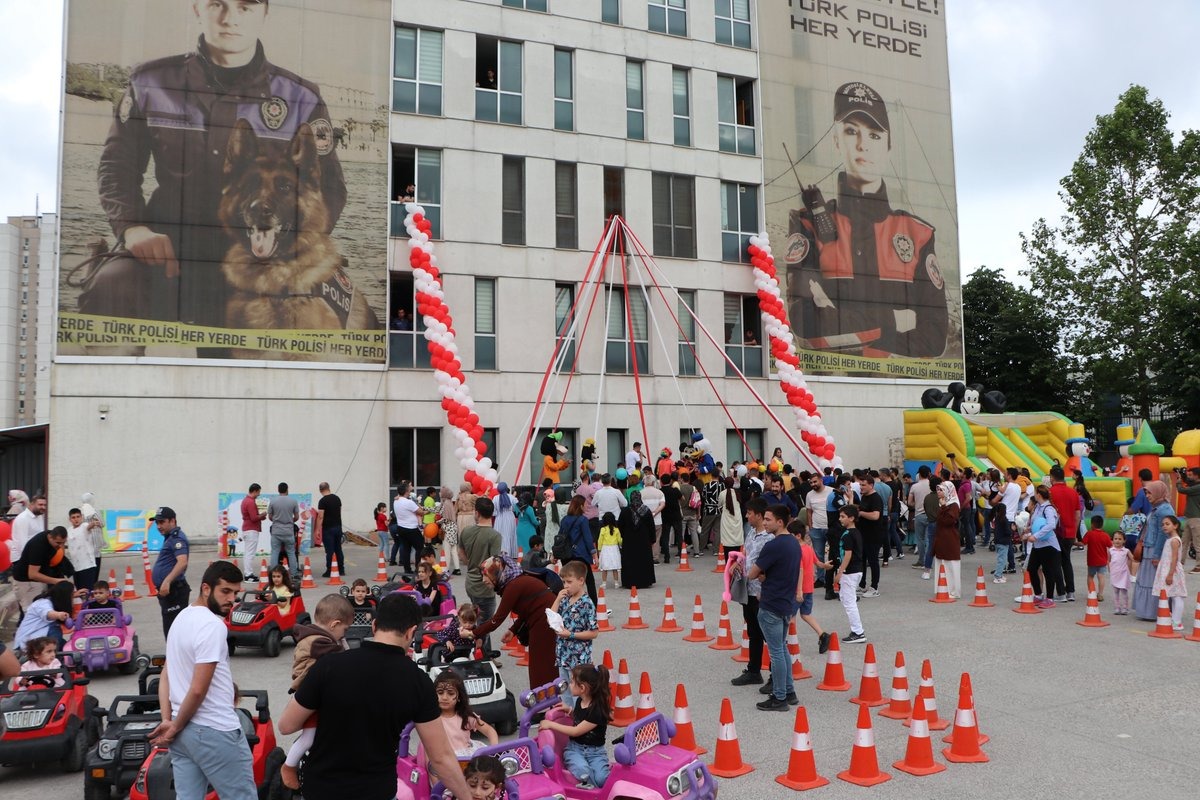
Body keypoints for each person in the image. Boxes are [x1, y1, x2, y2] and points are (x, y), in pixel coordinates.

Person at [82, 0, 347, 329]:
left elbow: (330, 188)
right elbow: (117, 168)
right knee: (111, 285)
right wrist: (133, 228)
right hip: (167, 246)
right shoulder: (150, 82)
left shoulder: (301, 98)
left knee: (311, 315)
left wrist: (290, 249)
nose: (230, 18)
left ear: (265, 13)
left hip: (256, 255)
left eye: (246, 7)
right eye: (217, 4)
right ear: (197, 8)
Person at [786, 81, 947, 359]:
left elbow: (934, 339)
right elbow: (807, 328)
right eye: (851, 132)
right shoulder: (808, 224)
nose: (863, 145)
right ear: (836, 140)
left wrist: (842, 322)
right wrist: (899, 319)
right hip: (823, 386)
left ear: (888, 146)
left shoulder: (918, 234)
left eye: (874, 135)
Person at [279, 593, 473, 800]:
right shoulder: (418, 682)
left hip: (322, 788)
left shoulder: (328, 665)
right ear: (411, 632)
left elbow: (286, 725)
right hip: (375, 790)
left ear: (374, 625)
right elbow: (441, 757)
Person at [149, 560, 257, 800]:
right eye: (225, 591)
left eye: (235, 593)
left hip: (182, 731)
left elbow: (165, 674)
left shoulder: (181, 618)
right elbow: (199, 689)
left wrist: (169, 720)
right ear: (206, 589)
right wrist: (172, 726)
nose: (232, 599)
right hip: (215, 730)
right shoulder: (212, 626)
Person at [281, 593, 353, 790]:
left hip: (314, 694)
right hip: (310, 697)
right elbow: (341, 659)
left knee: (315, 735)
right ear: (334, 624)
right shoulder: (319, 642)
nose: (344, 634)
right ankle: (288, 767)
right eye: (344, 629)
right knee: (309, 737)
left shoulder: (317, 637)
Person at [469, 555, 558, 687]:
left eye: (486, 575)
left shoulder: (513, 586)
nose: (483, 580)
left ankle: (544, 697)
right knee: (543, 661)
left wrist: (473, 632)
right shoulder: (513, 583)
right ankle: (547, 696)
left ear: (497, 573)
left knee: (540, 663)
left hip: (544, 621)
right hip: (543, 618)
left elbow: (496, 620)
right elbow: (528, 608)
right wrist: (513, 630)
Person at [748, 505, 800, 711]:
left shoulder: (773, 545)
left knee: (776, 651)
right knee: (782, 647)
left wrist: (761, 575)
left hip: (771, 603)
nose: (765, 522)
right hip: (787, 603)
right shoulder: (794, 543)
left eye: (768, 519)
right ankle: (789, 691)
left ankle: (779, 697)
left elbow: (752, 573)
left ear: (780, 522)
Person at [540, 664, 612, 789]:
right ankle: (593, 791)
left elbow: (576, 731)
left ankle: (594, 790)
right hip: (575, 749)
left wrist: (551, 724)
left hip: (596, 752)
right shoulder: (580, 701)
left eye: (572, 682)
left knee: (602, 779)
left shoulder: (597, 711)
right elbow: (581, 720)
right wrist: (569, 710)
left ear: (583, 687)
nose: (570, 684)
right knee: (583, 770)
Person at [731, 498, 770, 687]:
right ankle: (754, 671)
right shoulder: (751, 533)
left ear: (759, 515)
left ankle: (775, 675)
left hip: (763, 592)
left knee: (769, 635)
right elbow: (745, 553)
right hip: (748, 591)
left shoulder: (770, 537)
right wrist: (738, 564)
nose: (747, 516)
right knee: (753, 632)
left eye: (749, 513)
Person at [458, 497, 502, 655]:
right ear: (492, 513)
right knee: (486, 624)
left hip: (470, 581)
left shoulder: (466, 531)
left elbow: (461, 552)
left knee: (479, 619)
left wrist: (470, 563)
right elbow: (494, 562)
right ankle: (483, 655)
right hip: (485, 586)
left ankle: (482, 652)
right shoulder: (494, 536)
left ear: (477, 513)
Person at [1132, 480, 1175, 621]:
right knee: (1148, 580)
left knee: (1153, 581)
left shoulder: (1164, 510)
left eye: (1150, 492)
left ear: (1158, 492)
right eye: (1146, 492)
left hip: (1155, 550)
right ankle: (1148, 611)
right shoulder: (1157, 507)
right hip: (1149, 547)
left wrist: (1157, 555)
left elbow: (1163, 534)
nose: (1147, 495)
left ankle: (1153, 612)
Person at [553, 561, 598, 692]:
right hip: (563, 656)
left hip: (579, 659)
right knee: (565, 695)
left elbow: (594, 632)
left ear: (581, 581)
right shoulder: (565, 599)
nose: (565, 586)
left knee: (578, 695)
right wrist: (557, 599)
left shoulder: (587, 603)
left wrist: (571, 634)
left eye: (569, 582)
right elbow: (551, 617)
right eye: (563, 582)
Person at [433, 671, 499, 759]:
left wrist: (494, 748)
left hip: (467, 758)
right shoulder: (431, 718)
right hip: (443, 760)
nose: (444, 697)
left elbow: (489, 730)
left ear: (459, 697)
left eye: (451, 693)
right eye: (440, 692)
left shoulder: (465, 716)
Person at [791, 521, 832, 655]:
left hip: (799, 589)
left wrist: (798, 591)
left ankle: (791, 641)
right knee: (805, 614)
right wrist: (825, 566)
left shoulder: (797, 551)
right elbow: (818, 563)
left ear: (797, 536)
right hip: (809, 588)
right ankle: (822, 634)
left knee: (790, 616)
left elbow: (800, 571)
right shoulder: (808, 548)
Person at [149, 507, 190, 637]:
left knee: (174, 630)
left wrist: (167, 581)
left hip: (175, 591)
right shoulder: (169, 538)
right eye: (157, 523)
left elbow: (182, 562)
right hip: (169, 592)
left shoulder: (176, 539)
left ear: (172, 521)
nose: (158, 526)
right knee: (170, 629)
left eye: (162, 522)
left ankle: (177, 656)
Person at [16, 526, 76, 611]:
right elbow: (32, 574)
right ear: (50, 537)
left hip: (39, 580)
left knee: (44, 608)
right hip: (26, 581)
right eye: (58, 543)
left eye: (63, 543)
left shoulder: (52, 536)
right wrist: (56, 581)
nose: (61, 546)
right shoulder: (38, 546)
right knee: (33, 612)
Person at [1023, 486, 1063, 608]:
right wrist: (1029, 529)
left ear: (1039, 495)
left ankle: (1049, 598)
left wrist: (1035, 536)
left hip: (1048, 545)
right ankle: (1038, 594)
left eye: (1035, 493)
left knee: (1048, 571)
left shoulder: (1048, 508)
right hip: (1038, 545)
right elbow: (1038, 523)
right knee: (1031, 568)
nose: (1034, 495)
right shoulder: (1038, 508)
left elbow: (1051, 525)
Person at [834, 505, 867, 643]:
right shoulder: (856, 532)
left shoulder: (848, 535)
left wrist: (839, 573)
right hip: (856, 570)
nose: (840, 519)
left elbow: (847, 555)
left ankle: (858, 632)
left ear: (852, 518)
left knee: (849, 602)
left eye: (843, 516)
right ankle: (857, 630)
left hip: (849, 572)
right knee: (847, 599)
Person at [1048, 466, 1082, 601]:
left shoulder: (1050, 492)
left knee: (1056, 562)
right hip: (1069, 532)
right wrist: (1074, 531)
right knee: (1067, 561)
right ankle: (1071, 592)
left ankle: (1060, 592)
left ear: (1052, 478)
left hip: (1056, 532)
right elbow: (1078, 514)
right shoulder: (1073, 493)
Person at [13, 581, 77, 651]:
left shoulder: (54, 602)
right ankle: (51, 656)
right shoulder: (42, 603)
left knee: (68, 647)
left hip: (37, 638)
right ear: (64, 596)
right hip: (27, 644)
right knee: (55, 630)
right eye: (71, 595)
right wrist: (59, 615)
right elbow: (48, 613)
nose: (72, 599)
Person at [558, 496, 598, 605]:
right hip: (580, 555)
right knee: (589, 581)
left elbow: (560, 537)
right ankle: (593, 605)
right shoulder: (583, 520)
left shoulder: (565, 519)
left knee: (568, 581)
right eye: (585, 504)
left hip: (566, 555)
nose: (586, 506)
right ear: (580, 506)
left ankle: (567, 604)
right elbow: (588, 539)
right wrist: (595, 556)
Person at [10, 494, 47, 610]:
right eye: (40, 504)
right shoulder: (22, 519)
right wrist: (33, 562)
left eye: (45, 505)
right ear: (31, 504)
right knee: (26, 598)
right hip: (22, 561)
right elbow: (22, 544)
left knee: (35, 596)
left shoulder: (40, 517)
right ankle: (24, 622)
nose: (43, 507)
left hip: (34, 560)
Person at [1153, 515, 1188, 630]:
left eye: (1167, 524)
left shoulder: (1174, 541)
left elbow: (1174, 559)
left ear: (1175, 525)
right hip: (1167, 569)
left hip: (1172, 570)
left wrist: (1170, 574)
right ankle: (1173, 619)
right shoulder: (1170, 540)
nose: (1164, 526)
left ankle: (1177, 622)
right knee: (1172, 595)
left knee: (1177, 596)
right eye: (1163, 524)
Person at [620, 493, 657, 590]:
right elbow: (651, 527)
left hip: (629, 540)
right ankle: (645, 581)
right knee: (643, 560)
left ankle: (629, 581)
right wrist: (652, 539)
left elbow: (620, 526)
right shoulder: (646, 510)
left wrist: (624, 535)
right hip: (644, 540)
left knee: (630, 560)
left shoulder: (625, 511)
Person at [931, 481, 962, 598]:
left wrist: (944, 507)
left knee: (951, 564)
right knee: (941, 563)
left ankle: (953, 590)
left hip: (950, 538)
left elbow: (949, 520)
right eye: (938, 489)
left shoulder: (953, 505)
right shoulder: (942, 503)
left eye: (941, 490)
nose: (938, 492)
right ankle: (942, 588)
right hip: (941, 537)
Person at [855, 476, 884, 597]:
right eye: (860, 485)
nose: (861, 487)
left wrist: (861, 513)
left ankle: (874, 587)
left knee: (873, 561)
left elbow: (875, 516)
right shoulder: (864, 496)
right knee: (862, 560)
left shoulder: (876, 498)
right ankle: (862, 585)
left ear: (871, 485)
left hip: (874, 535)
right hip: (863, 534)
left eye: (863, 485)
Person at [267, 484, 300, 577]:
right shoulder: (293, 501)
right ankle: (294, 573)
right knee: (291, 552)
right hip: (289, 531)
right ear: (287, 490)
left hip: (276, 531)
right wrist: (290, 521)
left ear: (278, 490)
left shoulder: (273, 501)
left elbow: (270, 516)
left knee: (275, 552)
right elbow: (296, 517)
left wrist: (277, 520)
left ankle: (273, 574)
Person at [805, 475, 832, 589]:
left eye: (815, 482)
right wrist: (811, 527)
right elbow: (809, 512)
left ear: (821, 480)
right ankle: (820, 578)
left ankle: (830, 579)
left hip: (830, 528)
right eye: (811, 483)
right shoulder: (809, 495)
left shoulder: (831, 491)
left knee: (832, 554)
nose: (813, 484)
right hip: (816, 529)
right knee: (818, 554)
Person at [1172, 468, 1200, 570]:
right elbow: (1188, 482)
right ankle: (1179, 563)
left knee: (1197, 543)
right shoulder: (1194, 484)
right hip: (1189, 517)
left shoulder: (1197, 487)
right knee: (1184, 542)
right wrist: (1182, 475)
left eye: (1191, 475)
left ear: (1197, 476)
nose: (1189, 477)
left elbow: (1182, 490)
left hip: (1195, 518)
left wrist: (1179, 481)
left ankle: (1198, 565)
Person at [66, 507, 100, 591]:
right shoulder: (68, 531)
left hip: (88, 566)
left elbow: (89, 526)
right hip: (76, 567)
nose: (76, 519)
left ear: (81, 517)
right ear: (69, 519)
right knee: (79, 591)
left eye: (78, 517)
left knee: (88, 591)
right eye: (73, 517)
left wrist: (93, 523)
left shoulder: (84, 526)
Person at [316, 482, 344, 579]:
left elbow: (320, 516)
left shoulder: (322, 501)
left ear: (320, 490)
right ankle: (341, 569)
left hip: (328, 528)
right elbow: (339, 513)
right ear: (329, 488)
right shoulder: (337, 499)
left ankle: (329, 570)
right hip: (338, 527)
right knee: (338, 549)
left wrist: (317, 530)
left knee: (330, 550)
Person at [1081, 515, 1112, 601]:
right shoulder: (1105, 535)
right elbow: (1110, 546)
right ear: (1102, 525)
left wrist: (1075, 543)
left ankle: (1091, 592)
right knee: (1101, 576)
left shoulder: (1089, 534)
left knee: (1090, 576)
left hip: (1092, 560)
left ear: (1092, 525)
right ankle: (1100, 594)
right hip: (1102, 560)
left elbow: (1083, 543)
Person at [391, 482, 422, 570]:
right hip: (411, 528)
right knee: (419, 547)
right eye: (409, 488)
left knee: (406, 549)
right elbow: (420, 512)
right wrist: (427, 511)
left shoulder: (396, 501)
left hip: (401, 527)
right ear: (406, 491)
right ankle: (418, 568)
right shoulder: (409, 502)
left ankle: (407, 569)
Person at [240, 484, 265, 581]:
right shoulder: (250, 502)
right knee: (250, 553)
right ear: (254, 491)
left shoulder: (245, 501)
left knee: (247, 553)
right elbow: (254, 518)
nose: (259, 494)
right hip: (251, 529)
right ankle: (248, 575)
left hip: (247, 528)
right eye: (258, 492)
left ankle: (248, 573)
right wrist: (262, 515)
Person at [639, 475, 666, 561]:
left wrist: (646, 514)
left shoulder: (640, 492)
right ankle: (655, 558)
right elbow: (662, 504)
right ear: (654, 482)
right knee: (656, 539)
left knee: (645, 539)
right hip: (657, 520)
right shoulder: (659, 493)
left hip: (644, 521)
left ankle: (646, 556)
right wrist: (654, 512)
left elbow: (639, 506)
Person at [659, 474, 683, 564]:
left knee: (665, 536)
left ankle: (666, 557)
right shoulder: (675, 490)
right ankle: (681, 554)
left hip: (665, 516)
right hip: (676, 515)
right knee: (679, 535)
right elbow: (682, 498)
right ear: (670, 481)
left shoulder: (660, 491)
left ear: (661, 482)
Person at [718, 477, 744, 557]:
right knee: (737, 538)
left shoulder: (722, 493)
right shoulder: (737, 493)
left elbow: (719, 505)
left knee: (727, 540)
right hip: (737, 518)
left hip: (726, 519)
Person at [1108, 531, 1134, 615]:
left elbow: (1133, 559)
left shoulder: (1126, 551)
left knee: (1124, 592)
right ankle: (1117, 607)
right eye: (1115, 539)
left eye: (1120, 539)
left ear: (1124, 541)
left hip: (1123, 574)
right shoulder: (1111, 550)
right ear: (1112, 540)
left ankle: (1125, 608)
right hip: (1114, 574)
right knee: (1115, 592)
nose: (1117, 541)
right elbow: (1108, 560)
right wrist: (1109, 569)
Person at [438, 487, 462, 575]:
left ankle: (446, 568)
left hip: (448, 529)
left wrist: (438, 521)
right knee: (453, 548)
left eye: (441, 492)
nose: (439, 493)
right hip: (453, 528)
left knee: (447, 548)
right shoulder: (450, 503)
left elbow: (445, 518)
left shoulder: (445, 504)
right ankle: (457, 568)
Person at [596, 513, 623, 589]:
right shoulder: (616, 529)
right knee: (615, 567)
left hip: (605, 549)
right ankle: (616, 583)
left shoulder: (603, 529)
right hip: (614, 549)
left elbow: (600, 540)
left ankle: (604, 583)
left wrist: (599, 549)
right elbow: (619, 540)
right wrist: (621, 545)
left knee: (605, 567)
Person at [493, 484, 518, 557]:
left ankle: (500, 553)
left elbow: (494, 512)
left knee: (500, 534)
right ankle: (510, 553)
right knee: (510, 534)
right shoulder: (512, 497)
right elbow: (516, 508)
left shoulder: (495, 498)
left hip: (499, 518)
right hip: (510, 517)